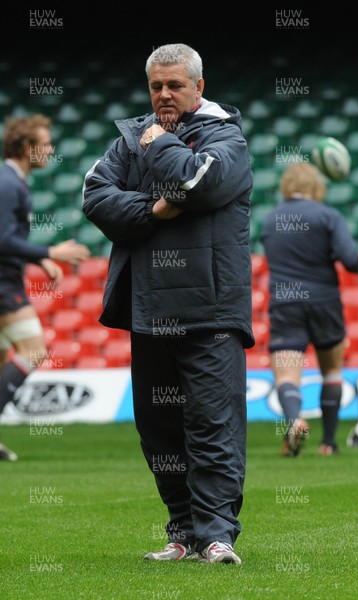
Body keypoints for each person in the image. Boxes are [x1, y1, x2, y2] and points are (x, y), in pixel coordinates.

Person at [83, 43, 254, 564]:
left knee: (212, 428)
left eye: (175, 85)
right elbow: (94, 195)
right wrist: (155, 211)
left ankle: (217, 534)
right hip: (149, 309)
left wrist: (158, 144)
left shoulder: (228, 138)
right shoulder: (128, 138)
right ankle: (182, 532)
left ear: (199, 87)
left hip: (211, 312)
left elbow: (199, 181)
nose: (163, 95)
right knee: (159, 433)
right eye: (156, 85)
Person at [261, 162, 358, 457]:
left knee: (286, 375)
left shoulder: (271, 220)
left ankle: (295, 419)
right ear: (316, 187)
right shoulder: (327, 216)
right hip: (324, 302)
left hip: (285, 302)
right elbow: (351, 263)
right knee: (332, 370)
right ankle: (328, 443)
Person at [0, 114, 90, 460]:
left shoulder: (13, 180)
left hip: (8, 278)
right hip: (4, 285)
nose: (51, 149)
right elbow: (3, 238)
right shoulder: (9, 184)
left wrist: (39, 260)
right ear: (27, 148)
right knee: (34, 350)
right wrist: (50, 251)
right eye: (45, 143)